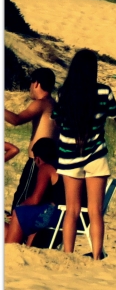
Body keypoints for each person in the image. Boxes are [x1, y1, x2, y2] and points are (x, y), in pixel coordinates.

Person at [53, 49, 116, 260]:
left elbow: (56, 120)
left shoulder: (64, 93)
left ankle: (68, 255)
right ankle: (97, 255)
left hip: (68, 155)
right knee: (95, 211)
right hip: (96, 155)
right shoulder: (103, 92)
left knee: (71, 210)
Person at [6, 68, 58, 208]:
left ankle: (14, 229)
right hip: (51, 162)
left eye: (31, 83)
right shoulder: (53, 104)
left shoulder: (41, 103)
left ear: (36, 84)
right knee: (38, 201)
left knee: (21, 202)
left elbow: (17, 120)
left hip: (37, 162)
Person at [5, 138, 64, 246]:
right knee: (30, 214)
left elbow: (35, 200)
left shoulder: (46, 168)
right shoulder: (62, 165)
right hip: (71, 215)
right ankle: (28, 245)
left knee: (20, 212)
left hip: (58, 215)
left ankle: (11, 246)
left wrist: (17, 208)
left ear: (37, 159)